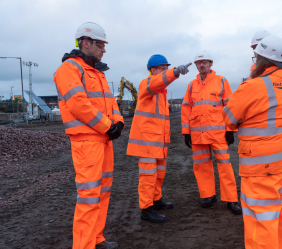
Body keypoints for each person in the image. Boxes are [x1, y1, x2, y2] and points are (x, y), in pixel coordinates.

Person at [222, 35, 282, 249]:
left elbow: (228, 118)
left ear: (261, 60)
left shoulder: (252, 87)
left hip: (262, 166)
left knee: (262, 219)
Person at [54, 22, 124, 249]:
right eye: (101, 44)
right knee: (89, 197)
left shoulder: (97, 73)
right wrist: (107, 126)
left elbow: (112, 103)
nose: (104, 49)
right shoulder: (69, 69)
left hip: (103, 141)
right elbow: (78, 104)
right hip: (87, 142)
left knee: (101, 194)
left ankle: (96, 239)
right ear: (86, 42)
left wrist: (118, 123)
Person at [127, 54, 191, 223]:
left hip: (158, 142)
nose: (166, 71)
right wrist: (175, 72)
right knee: (148, 176)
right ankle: (146, 208)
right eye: (163, 69)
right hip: (147, 141)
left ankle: (156, 200)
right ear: (152, 70)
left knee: (159, 174)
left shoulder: (161, 92)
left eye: (167, 68)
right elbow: (156, 83)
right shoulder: (147, 83)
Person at [181, 50, 242, 215]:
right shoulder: (191, 85)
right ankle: (208, 196)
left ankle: (231, 200)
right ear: (196, 65)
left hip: (218, 134)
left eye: (205, 62)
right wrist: (186, 132)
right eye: (199, 63)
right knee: (201, 167)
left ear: (211, 64)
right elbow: (186, 108)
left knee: (225, 167)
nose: (201, 65)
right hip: (197, 135)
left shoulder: (221, 81)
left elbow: (230, 106)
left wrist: (230, 129)